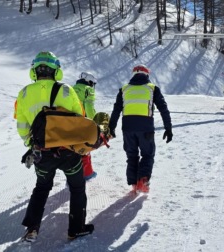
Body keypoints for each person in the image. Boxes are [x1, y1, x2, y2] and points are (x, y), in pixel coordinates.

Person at [15, 51, 94, 242]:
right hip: (67, 152)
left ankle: (32, 228)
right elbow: (80, 119)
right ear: (56, 71)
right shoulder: (67, 90)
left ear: (34, 71)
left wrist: (32, 144)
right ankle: (76, 228)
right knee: (77, 188)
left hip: (41, 153)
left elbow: (22, 127)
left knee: (41, 188)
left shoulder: (24, 93)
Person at [108, 64, 173, 193]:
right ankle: (142, 180)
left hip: (127, 128)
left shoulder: (124, 89)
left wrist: (111, 128)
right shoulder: (152, 89)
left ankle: (134, 183)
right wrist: (168, 128)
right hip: (145, 127)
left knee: (131, 156)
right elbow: (163, 109)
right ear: (147, 75)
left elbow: (116, 110)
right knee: (148, 154)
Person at [73, 72, 98, 181]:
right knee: (84, 148)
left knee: (73, 149)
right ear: (90, 81)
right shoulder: (88, 89)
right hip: (83, 122)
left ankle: (73, 175)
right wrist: (94, 122)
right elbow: (89, 107)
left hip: (70, 122)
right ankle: (87, 173)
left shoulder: (71, 88)